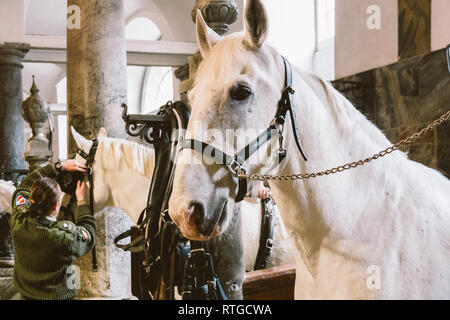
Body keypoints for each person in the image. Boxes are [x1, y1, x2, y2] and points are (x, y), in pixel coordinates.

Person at [9, 160, 95, 300]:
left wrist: (58, 167)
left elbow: (23, 186)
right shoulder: (62, 238)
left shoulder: (18, 221)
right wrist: (82, 202)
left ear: (31, 199)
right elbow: (88, 234)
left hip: (24, 296)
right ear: (56, 206)